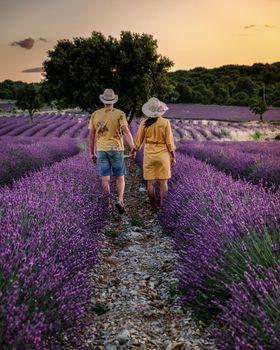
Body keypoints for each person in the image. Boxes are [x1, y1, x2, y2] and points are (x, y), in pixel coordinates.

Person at [88, 88, 135, 213]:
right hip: (116, 149)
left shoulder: (95, 114)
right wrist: (133, 148)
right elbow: (126, 131)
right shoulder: (120, 114)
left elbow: (91, 136)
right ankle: (120, 200)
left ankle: (107, 204)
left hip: (102, 150)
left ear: (103, 100)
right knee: (120, 177)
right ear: (113, 100)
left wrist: (91, 153)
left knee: (105, 178)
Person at [131, 97, 176, 212]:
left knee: (150, 183)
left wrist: (134, 150)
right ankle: (163, 206)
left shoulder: (144, 123)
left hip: (149, 154)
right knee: (163, 182)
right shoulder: (165, 122)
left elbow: (138, 141)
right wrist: (173, 156)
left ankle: (153, 208)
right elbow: (169, 142)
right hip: (163, 154)